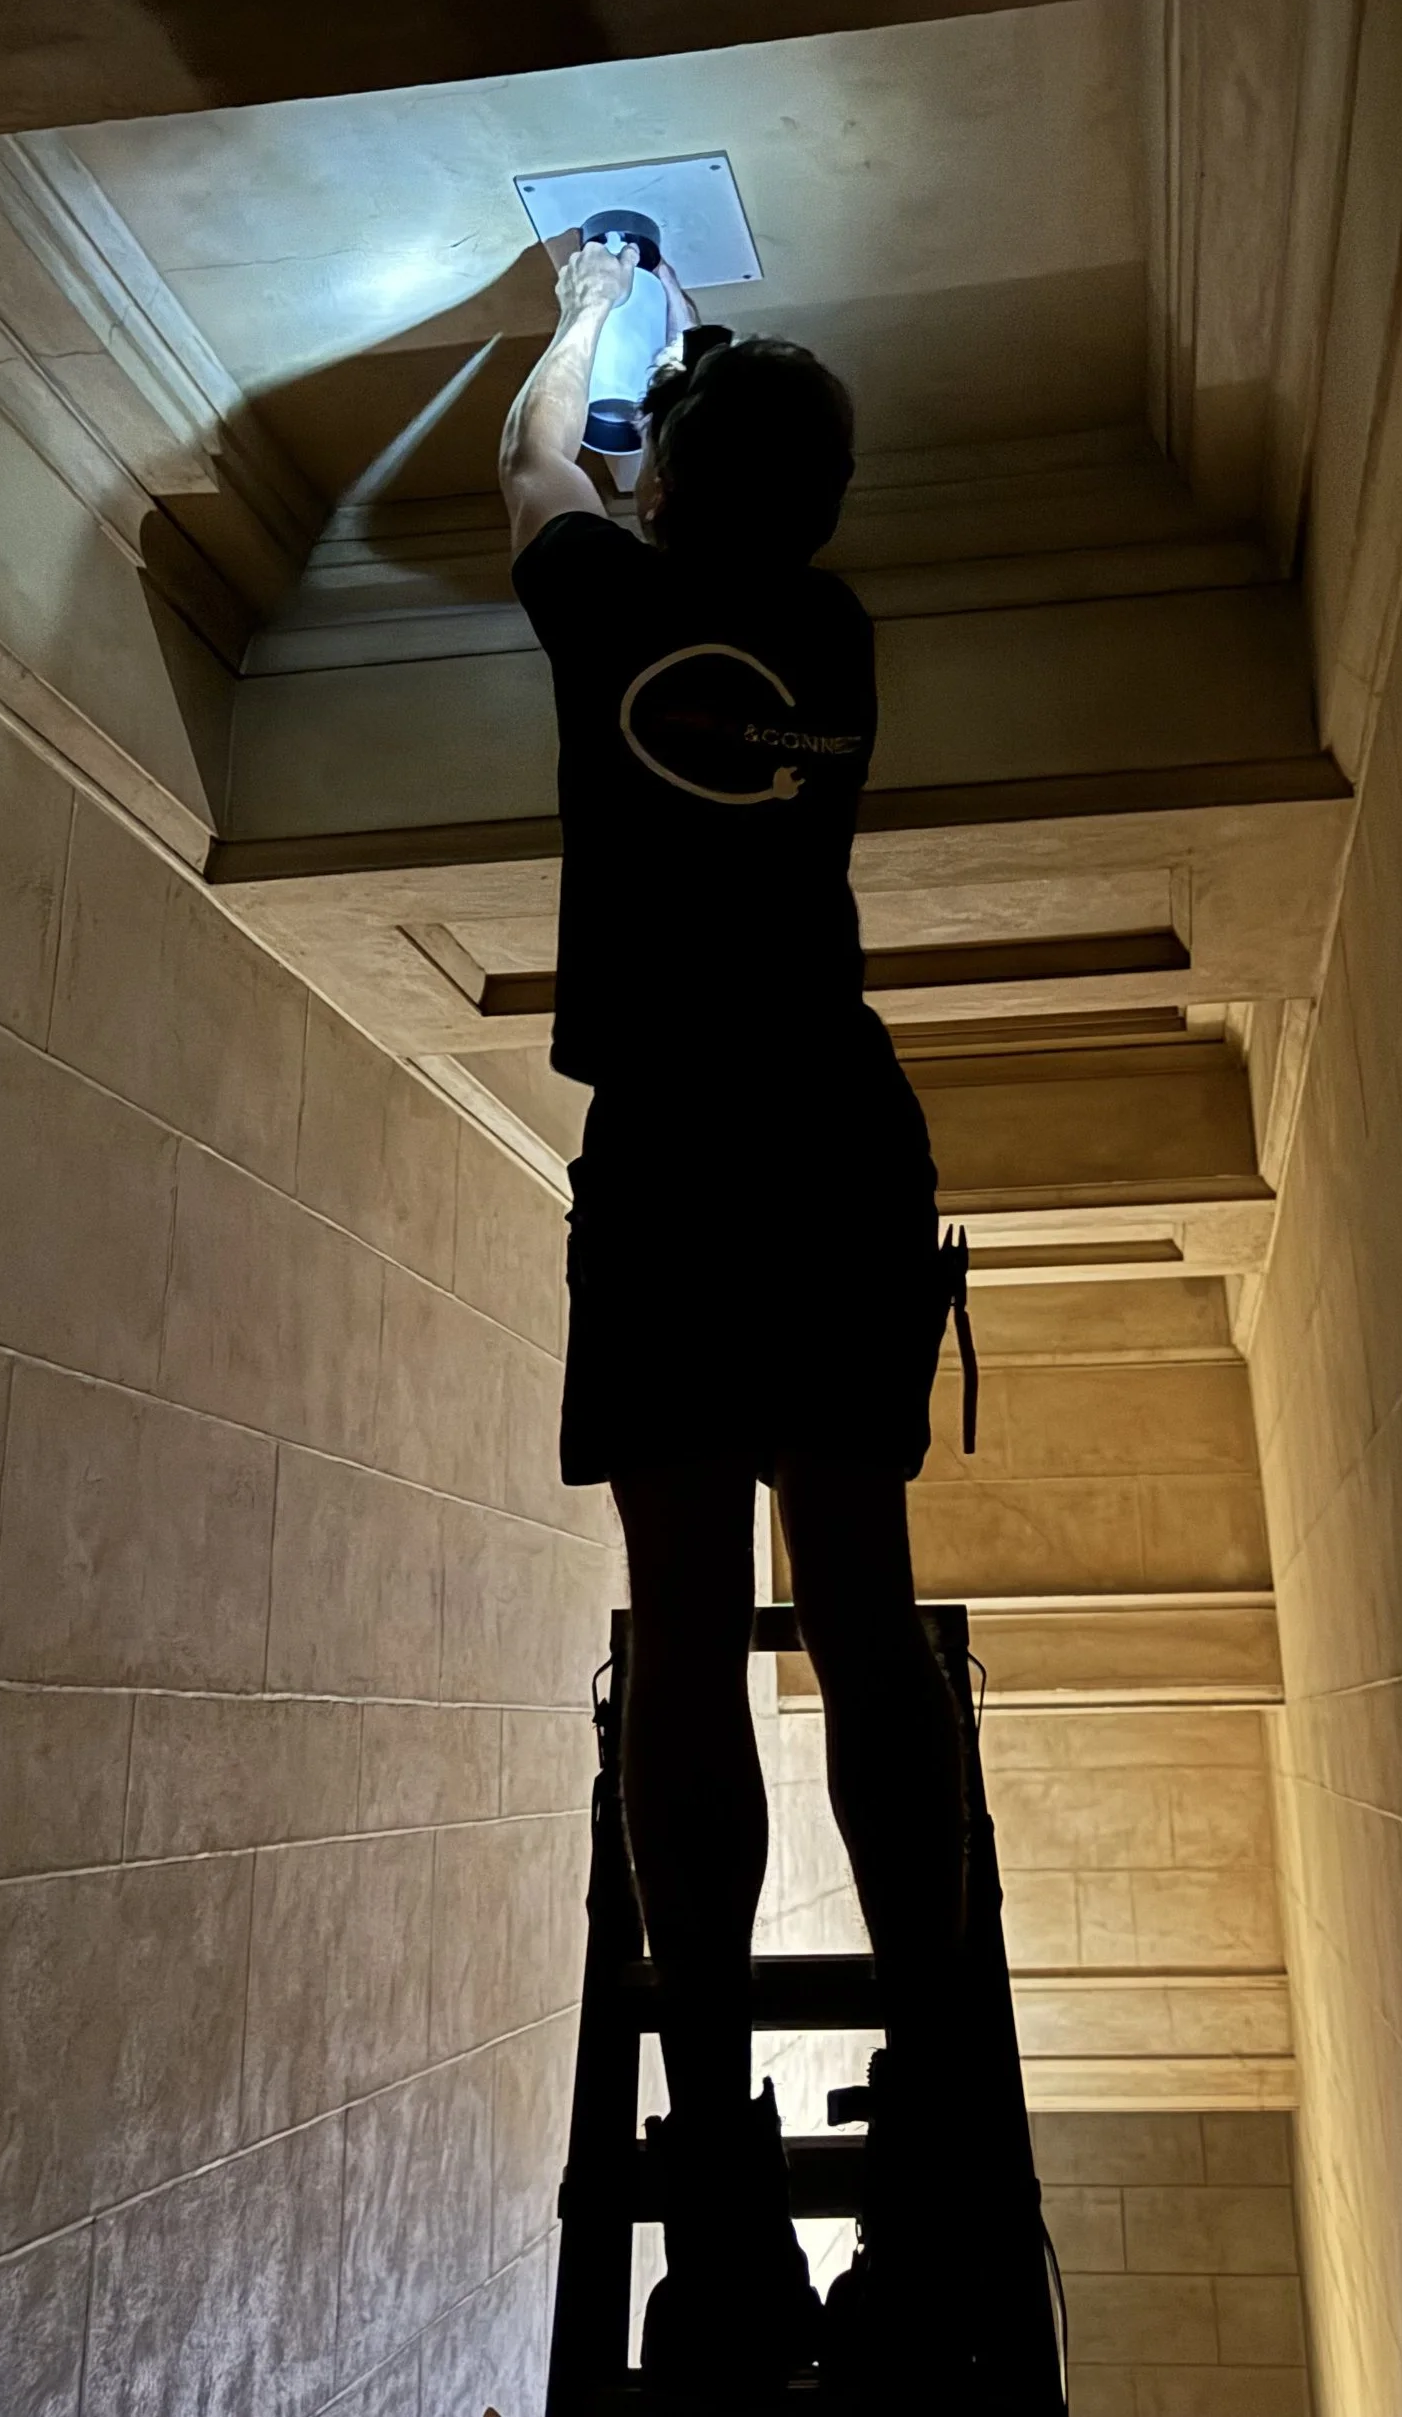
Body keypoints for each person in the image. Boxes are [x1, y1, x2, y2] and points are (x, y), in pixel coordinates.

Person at [501, 237, 973, 2391]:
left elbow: (530, 463)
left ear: (672, 480)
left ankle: (724, 2191)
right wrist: (676, 427)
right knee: (853, 1613)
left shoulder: (607, 594)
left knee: (687, 1630)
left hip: (681, 1142)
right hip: (838, 1126)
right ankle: (935, 2136)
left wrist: (596, 307)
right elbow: (661, 506)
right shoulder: (830, 626)